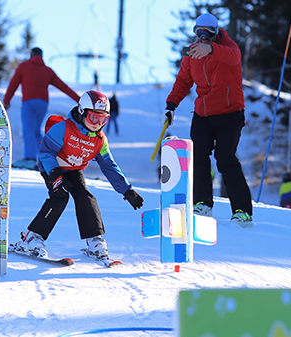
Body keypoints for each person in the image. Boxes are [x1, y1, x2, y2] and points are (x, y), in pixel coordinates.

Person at [13, 90, 145, 262]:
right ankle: (32, 238)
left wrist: (126, 190)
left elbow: (109, 166)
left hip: (74, 169)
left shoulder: (99, 140)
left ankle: (94, 241)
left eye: (103, 119)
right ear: (82, 112)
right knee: (60, 197)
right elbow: (45, 153)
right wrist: (56, 176)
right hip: (52, 167)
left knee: (85, 196)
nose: (97, 124)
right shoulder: (63, 128)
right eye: (93, 118)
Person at [163, 13, 253, 227]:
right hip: (203, 114)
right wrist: (171, 105)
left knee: (225, 158)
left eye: (208, 32)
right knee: (198, 157)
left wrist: (211, 49)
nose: (203, 37)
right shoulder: (192, 53)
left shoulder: (228, 47)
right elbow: (183, 80)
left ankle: (242, 211)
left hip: (229, 113)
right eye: (198, 32)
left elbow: (233, 56)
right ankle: (202, 204)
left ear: (216, 32)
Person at [3, 47, 80, 170]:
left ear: (31, 55)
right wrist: (79, 100)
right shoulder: (47, 71)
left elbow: (13, 85)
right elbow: (63, 87)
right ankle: (45, 159)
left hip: (29, 102)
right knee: (36, 132)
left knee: (28, 130)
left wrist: (6, 102)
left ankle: (29, 159)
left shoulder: (24, 66)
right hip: (43, 103)